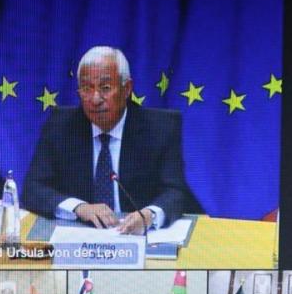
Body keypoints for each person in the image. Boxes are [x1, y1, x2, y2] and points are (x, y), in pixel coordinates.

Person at [23, 46, 193, 235]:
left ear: (126, 88)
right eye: (87, 88)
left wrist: (149, 215)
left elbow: (176, 192)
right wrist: (80, 208)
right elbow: (33, 188)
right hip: (80, 236)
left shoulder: (160, 128)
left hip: (138, 236)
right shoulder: (61, 125)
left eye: (105, 88)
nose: (95, 99)